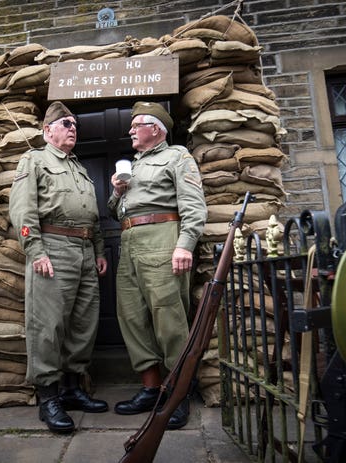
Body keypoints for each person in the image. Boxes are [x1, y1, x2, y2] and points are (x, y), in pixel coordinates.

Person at [9, 101, 109, 434]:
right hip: (51, 247)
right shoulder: (35, 160)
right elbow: (23, 212)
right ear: (47, 129)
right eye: (65, 123)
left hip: (83, 250)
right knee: (48, 324)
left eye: (75, 125)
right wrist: (35, 249)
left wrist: (97, 249)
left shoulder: (80, 168)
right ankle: (48, 397)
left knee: (83, 322)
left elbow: (92, 216)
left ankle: (71, 389)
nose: (72, 129)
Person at [108, 101, 207, 430]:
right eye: (132, 126)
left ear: (157, 129)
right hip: (129, 241)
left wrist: (184, 245)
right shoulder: (131, 165)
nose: (131, 131)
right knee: (132, 315)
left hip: (163, 238)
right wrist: (117, 191)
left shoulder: (177, 156)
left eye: (137, 125)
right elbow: (115, 211)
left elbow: (193, 205)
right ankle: (151, 388)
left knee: (168, 316)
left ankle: (178, 393)